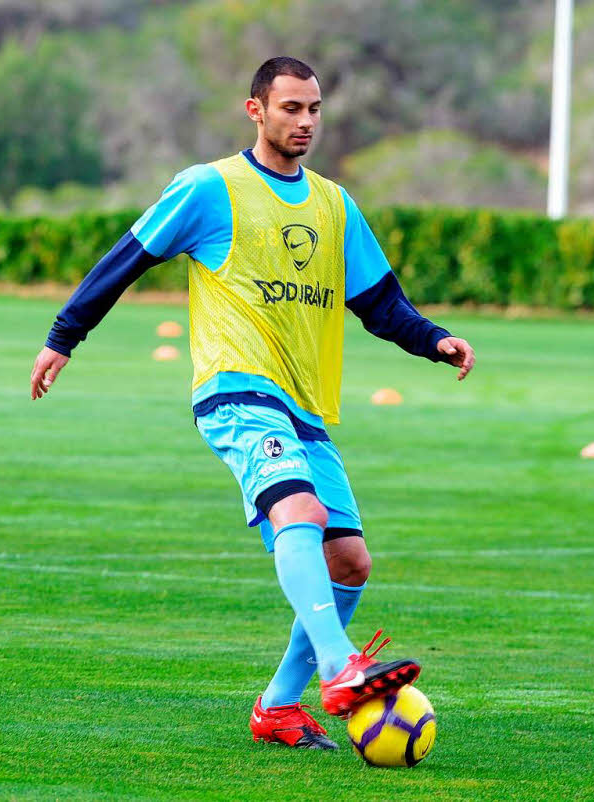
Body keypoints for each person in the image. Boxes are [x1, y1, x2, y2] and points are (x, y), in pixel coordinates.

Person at [30, 56, 475, 751]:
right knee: (299, 510)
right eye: (291, 108)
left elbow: (379, 302)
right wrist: (64, 336)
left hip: (306, 403)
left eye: (314, 109)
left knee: (350, 562)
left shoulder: (333, 203)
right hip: (236, 391)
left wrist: (435, 339)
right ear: (256, 110)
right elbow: (129, 256)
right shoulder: (211, 188)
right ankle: (339, 666)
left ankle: (276, 707)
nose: (305, 122)